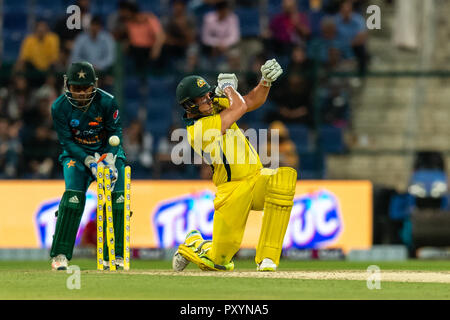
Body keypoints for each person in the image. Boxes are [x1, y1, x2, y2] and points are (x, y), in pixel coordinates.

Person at [172, 58, 297, 272]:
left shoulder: (213, 107)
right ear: (189, 105)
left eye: (208, 94)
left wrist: (265, 82)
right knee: (219, 261)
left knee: (282, 179)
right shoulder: (198, 130)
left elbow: (249, 102)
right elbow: (238, 106)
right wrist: (229, 88)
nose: (209, 99)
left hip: (256, 178)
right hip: (231, 191)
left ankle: (268, 257)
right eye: (202, 98)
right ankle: (194, 244)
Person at [49, 61, 127, 270]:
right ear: (67, 85)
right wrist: (88, 160)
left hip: (107, 154)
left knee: (118, 201)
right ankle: (60, 255)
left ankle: (115, 256)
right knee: (73, 200)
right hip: (77, 156)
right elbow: (66, 142)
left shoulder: (108, 102)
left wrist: (109, 158)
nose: (82, 93)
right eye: (77, 88)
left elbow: (115, 133)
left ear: (95, 85)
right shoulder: (59, 107)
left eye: (86, 88)